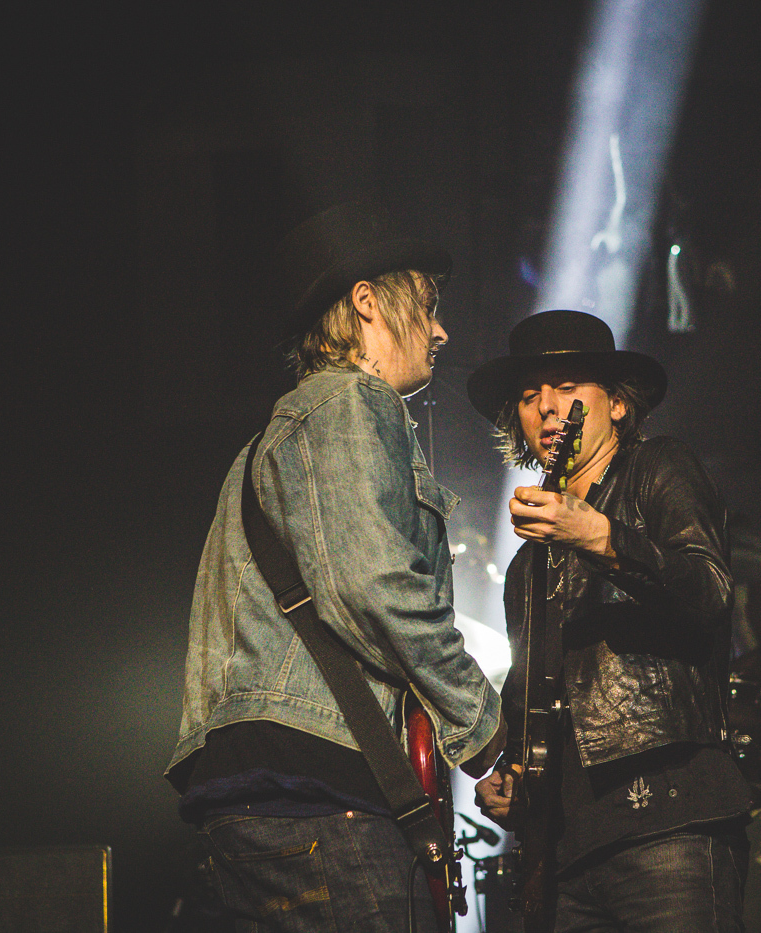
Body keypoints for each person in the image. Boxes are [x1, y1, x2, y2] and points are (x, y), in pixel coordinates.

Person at [166, 203, 506, 933]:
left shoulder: (269, 441)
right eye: (429, 305)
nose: (442, 330)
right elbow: (375, 585)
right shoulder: (351, 401)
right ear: (367, 303)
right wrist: (485, 728)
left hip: (247, 795)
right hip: (319, 789)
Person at [468, 309, 750, 932]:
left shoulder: (659, 469)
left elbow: (709, 591)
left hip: (668, 818)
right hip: (568, 846)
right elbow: (533, 691)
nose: (546, 407)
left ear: (617, 404)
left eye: (567, 388)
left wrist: (602, 537)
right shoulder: (526, 566)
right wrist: (511, 772)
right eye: (528, 395)